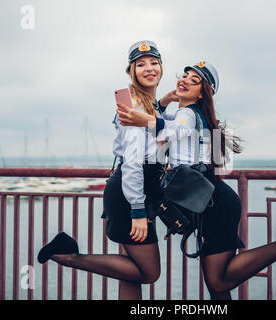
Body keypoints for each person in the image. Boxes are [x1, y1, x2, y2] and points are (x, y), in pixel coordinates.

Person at [116, 60, 276, 300]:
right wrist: (165, 101)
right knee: (218, 286)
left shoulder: (188, 114)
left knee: (219, 281)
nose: (185, 80)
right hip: (214, 199)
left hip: (214, 204)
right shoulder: (197, 115)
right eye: (185, 75)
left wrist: (143, 120)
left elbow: (172, 130)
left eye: (195, 80)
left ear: (204, 93)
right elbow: (170, 125)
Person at [37, 40, 167, 300]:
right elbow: (132, 161)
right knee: (149, 272)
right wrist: (138, 210)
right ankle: (67, 255)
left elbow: (151, 134)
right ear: (132, 72)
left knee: (130, 274)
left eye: (154, 63)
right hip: (131, 194)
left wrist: (164, 103)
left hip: (134, 193)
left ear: (161, 67)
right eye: (141, 65)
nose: (149, 68)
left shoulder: (146, 104)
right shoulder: (131, 105)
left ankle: (67, 253)